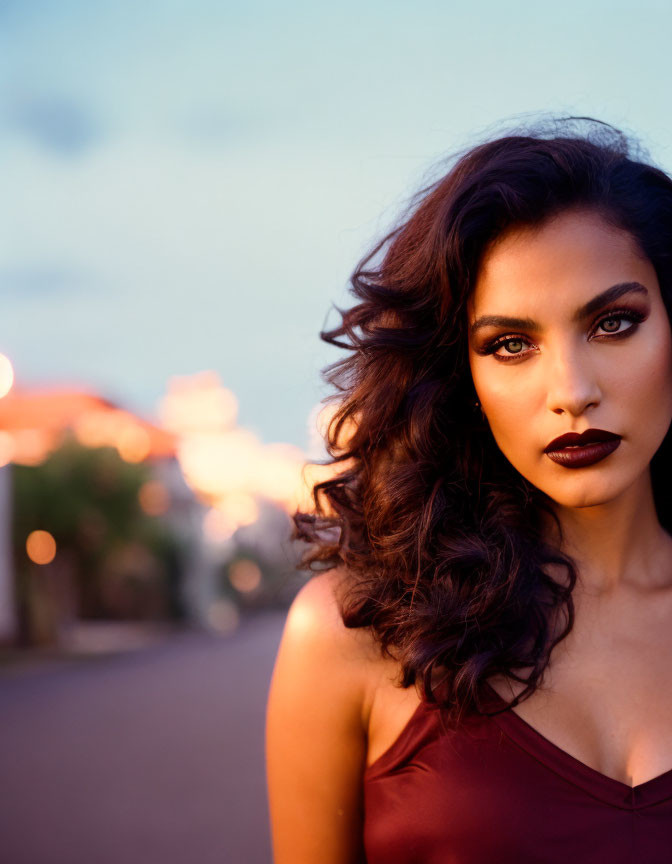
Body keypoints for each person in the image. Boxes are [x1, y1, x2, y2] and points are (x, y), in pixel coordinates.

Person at [265, 117, 672, 863]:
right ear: (465, 379)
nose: (572, 392)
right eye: (511, 345)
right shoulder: (352, 635)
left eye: (614, 323)